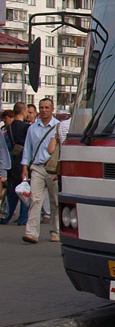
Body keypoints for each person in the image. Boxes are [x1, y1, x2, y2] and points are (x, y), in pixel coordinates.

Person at [21, 98, 60, 244]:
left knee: (55, 201)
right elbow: (28, 149)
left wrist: (60, 170)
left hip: (53, 168)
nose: (44, 110)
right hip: (37, 167)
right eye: (41, 107)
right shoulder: (32, 128)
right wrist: (24, 167)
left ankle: (55, 232)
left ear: (52, 109)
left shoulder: (58, 126)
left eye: (47, 107)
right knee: (35, 199)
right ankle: (31, 233)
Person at [1, 102, 29, 225]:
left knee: (12, 191)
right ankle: (23, 219)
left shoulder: (9, 127)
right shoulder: (26, 127)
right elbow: (29, 145)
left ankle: (6, 216)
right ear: (23, 111)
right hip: (23, 161)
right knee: (25, 191)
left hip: (12, 160)